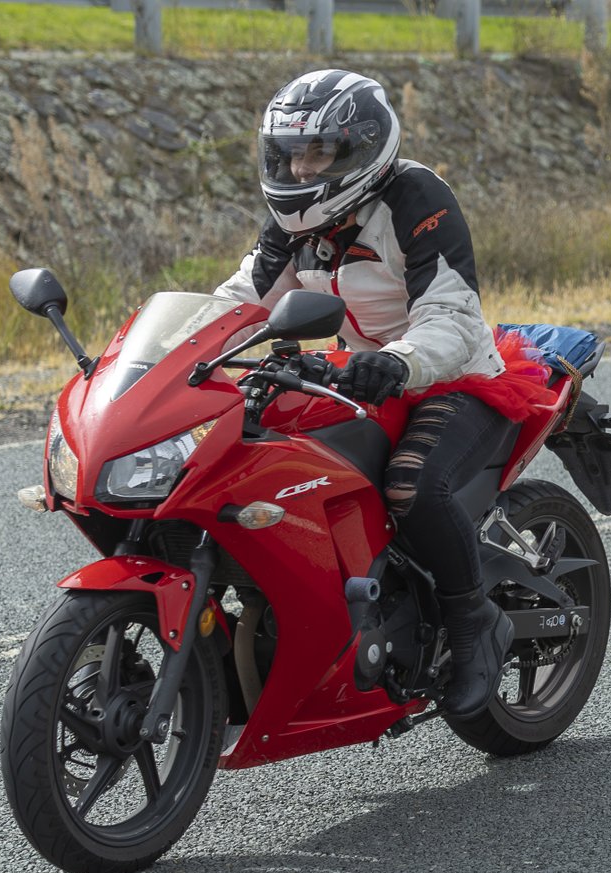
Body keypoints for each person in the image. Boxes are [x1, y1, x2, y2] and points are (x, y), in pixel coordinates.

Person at [214, 69, 552, 718]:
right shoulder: (295, 221)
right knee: (261, 462)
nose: (298, 165)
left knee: (411, 486)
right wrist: (162, 355)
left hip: (454, 375)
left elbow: (451, 319)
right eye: (288, 152)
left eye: (318, 152)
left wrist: (398, 363)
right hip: (361, 378)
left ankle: (475, 624)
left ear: (361, 150)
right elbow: (241, 302)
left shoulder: (417, 198)